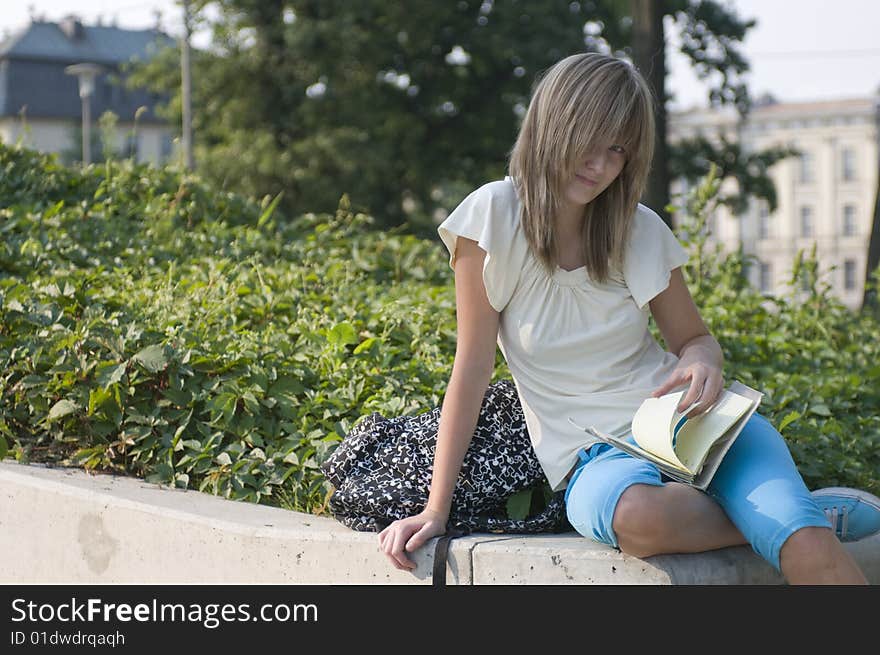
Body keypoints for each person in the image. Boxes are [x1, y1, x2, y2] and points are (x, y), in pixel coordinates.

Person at [377, 52, 880, 584]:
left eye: (617, 149)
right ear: (553, 124)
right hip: (596, 457)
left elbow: (695, 339)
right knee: (639, 520)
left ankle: (792, 521)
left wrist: (704, 362)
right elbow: (472, 367)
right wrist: (436, 509)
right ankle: (800, 516)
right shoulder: (493, 217)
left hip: (690, 424)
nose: (599, 164)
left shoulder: (636, 229)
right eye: (589, 139)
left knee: (806, 549)